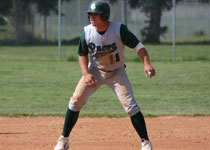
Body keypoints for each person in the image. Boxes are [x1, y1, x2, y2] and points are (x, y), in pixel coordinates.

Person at [54, 1, 155, 150]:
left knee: (131, 106)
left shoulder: (119, 29)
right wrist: (86, 74)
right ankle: (63, 139)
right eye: (90, 14)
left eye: (95, 14)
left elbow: (138, 46)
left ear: (105, 16)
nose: (91, 17)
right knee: (75, 102)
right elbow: (82, 54)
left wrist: (146, 63)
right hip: (95, 71)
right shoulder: (87, 32)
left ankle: (145, 142)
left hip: (117, 73)